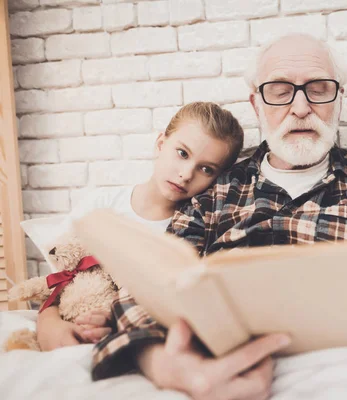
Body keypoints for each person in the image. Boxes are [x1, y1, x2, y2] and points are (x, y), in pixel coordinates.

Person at [90, 34, 347, 399]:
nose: (300, 107)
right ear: (256, 104)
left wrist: (340, 309)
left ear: (339, 99)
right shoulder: (216, 193)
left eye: (318, 89)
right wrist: (164, 365)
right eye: (279, 92)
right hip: (220, 368)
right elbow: (142, 287)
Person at [36, 102, 245, 352]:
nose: (186, 174)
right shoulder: (102, 205)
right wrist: (48, 324)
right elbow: (58, 279)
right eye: (182, 153)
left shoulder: (194, 232)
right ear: (160, 144)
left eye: (206, 169)